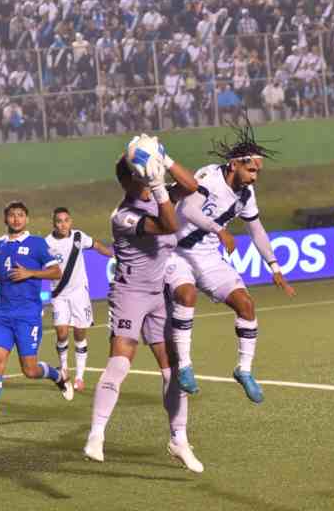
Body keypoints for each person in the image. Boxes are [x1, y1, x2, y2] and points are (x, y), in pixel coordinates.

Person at [84, 142, 204, 472]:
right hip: (130, 293)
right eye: (143, 176)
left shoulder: (157, 192)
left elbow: (194, 186)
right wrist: (157, 185)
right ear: (131, 181)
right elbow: (169, 226)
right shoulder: (124, 215)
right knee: (121, 362)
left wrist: (166, 158)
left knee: (173, 368)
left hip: (158, 293)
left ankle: (179, 440)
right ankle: (96, 434)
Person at [166, 123, 296, 402]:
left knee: (245, 304)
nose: (255, 176)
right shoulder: (209, 177)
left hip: (209, 256)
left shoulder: (246, 194)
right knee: (186, 296)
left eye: (258, 171)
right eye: (251, 170)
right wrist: (219, 229)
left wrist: (274, 266)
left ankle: (244, 370)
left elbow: (256, 229)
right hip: (175, 252)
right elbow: (188, 210)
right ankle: (185, 366)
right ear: (235, 164)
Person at [0, 201, 73, 438]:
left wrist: (30, 273)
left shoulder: (38, 244)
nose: (16, 219)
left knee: (29, 369)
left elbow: (56, 272)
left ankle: (57, 375)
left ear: (26, 219)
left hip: (28, 315)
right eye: (12, 215)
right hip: (2, 313)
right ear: (5, 219)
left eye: (20, 215)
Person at [45, 207, 113, 392]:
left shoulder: (78, 237)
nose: (63, 224)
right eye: (59, 221)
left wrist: (113, 255)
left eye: (66, 220)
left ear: (71, 221)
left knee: (80, 333)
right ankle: (64, 367)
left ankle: (80, 376)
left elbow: (97, 245)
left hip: (79, 294)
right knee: (61, 333)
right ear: (54, 223)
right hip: (59, 294)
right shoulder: (47, 243)